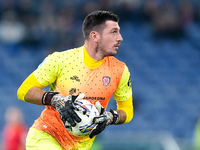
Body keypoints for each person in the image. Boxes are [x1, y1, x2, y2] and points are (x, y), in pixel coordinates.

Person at [17, 10, 133, 150]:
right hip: (46, 137)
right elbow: (24, 91)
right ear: (95, 36)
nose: (120, 38)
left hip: (81, 146)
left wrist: (111, 117)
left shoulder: (120, 70)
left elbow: (127, 110)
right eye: (113, 32)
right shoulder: (61, 60)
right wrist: (56, 100)